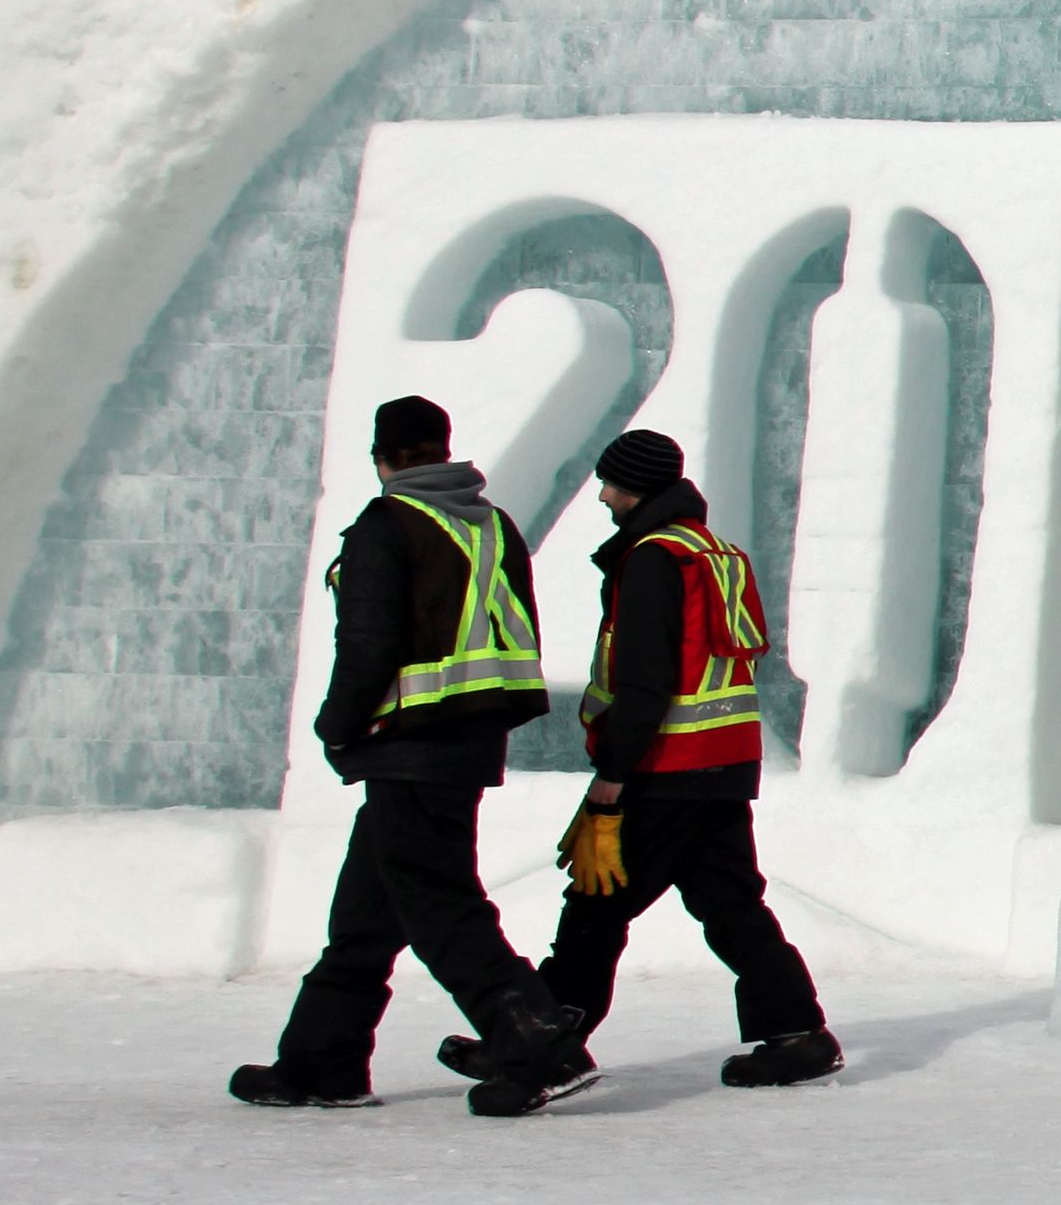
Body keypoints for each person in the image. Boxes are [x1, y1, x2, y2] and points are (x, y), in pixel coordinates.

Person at [234, 394, 598, 1115]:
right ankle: (321, 1062)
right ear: (441, 449)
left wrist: (337, 725)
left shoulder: (388, 523)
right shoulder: (490, 523)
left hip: (408, 746)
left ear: (385, 458)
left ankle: (536, 1036)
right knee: (368, 915)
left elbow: (368, 645)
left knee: (439, 904)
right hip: (468, 740)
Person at [448, 428, 840, 1094]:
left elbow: (646, 680)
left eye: (612, 483)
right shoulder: (716, 552)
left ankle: (545, 1049)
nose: (603, 495)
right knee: (731, 905)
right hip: (724, 763)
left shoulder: (654, 558)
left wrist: (611, 776)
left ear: (640, 487)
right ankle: (799, 1035)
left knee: (596, 905)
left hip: (667, 764)